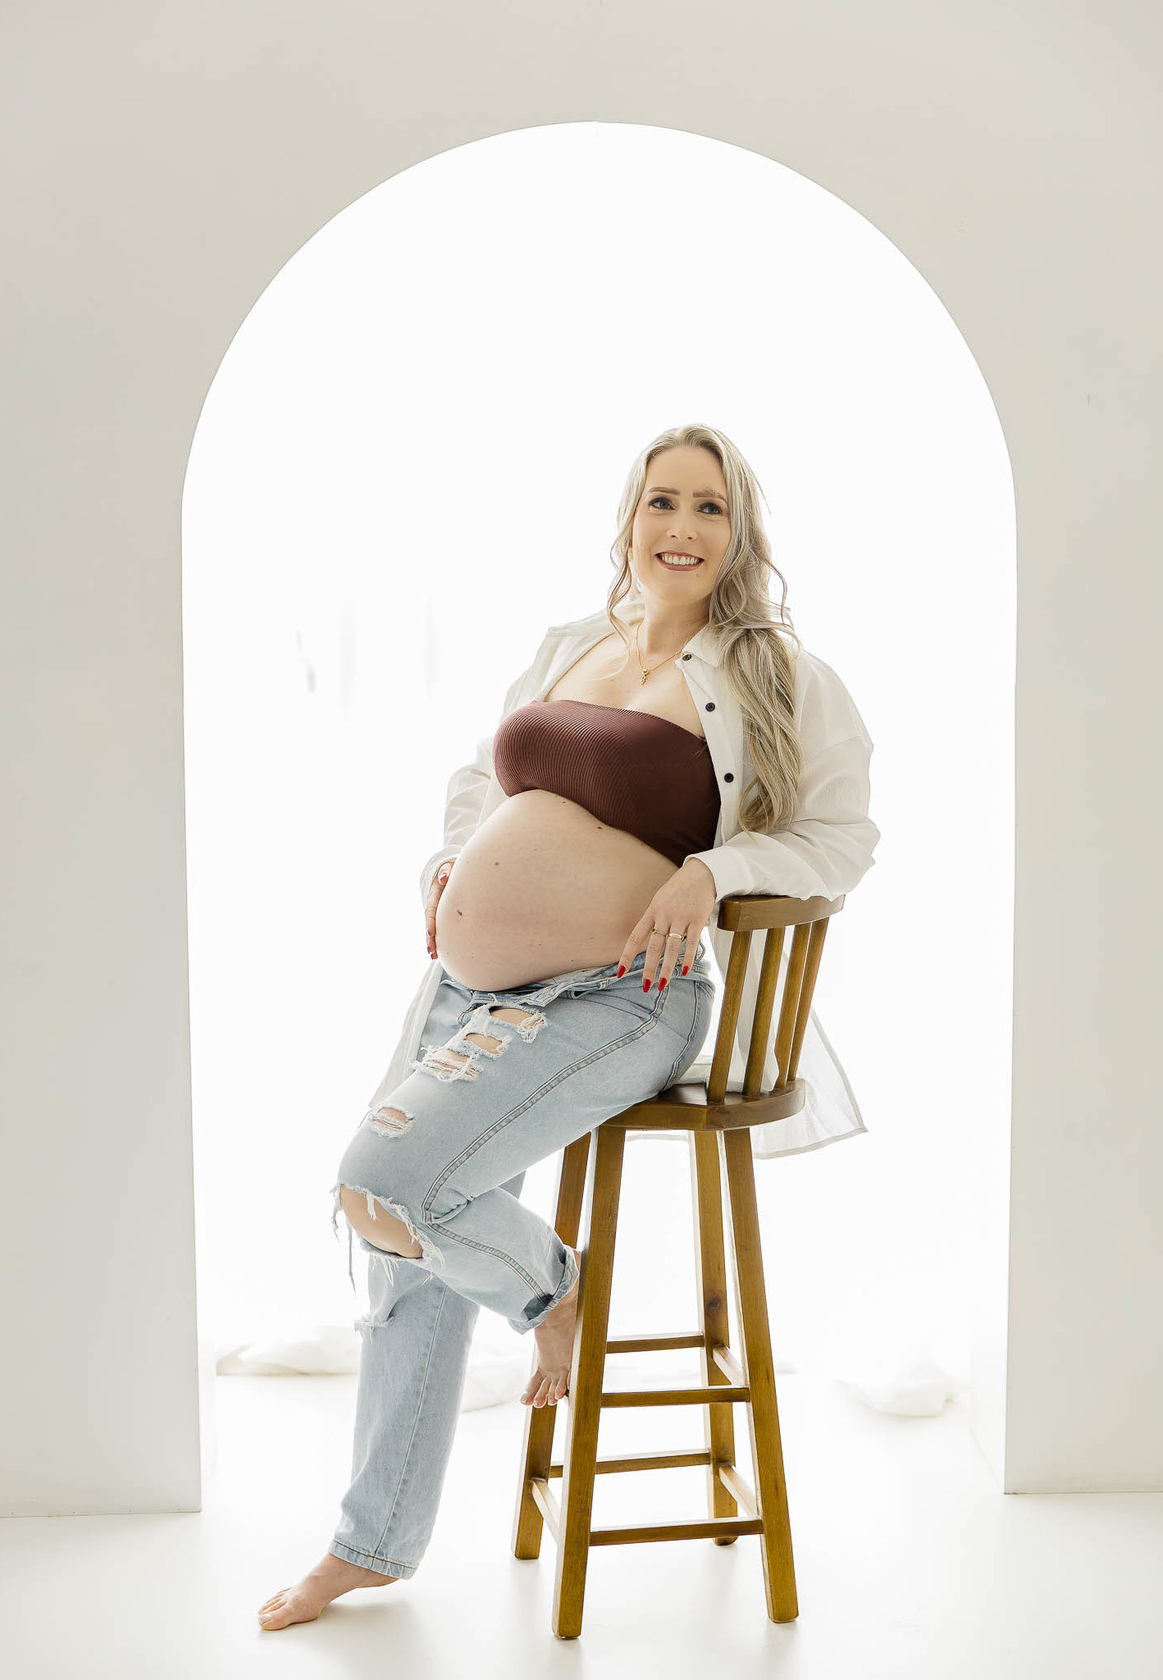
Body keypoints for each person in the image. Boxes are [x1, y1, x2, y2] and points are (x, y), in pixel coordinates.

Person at [258, 423, 879, 1630]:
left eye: (709, 507)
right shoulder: (569, 644)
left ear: (740, 532)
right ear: (629, 518)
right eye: (663, 501)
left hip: (624, 998)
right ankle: (368, 1544)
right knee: (394, 1235)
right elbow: (481, 785)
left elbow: (842, 839)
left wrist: (717, 870)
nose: (682, 527)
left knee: (386, 1182)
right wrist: (453, 863)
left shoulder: (779, 673)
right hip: (475, 991)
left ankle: (552, 1296)